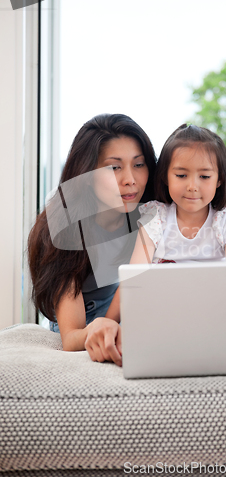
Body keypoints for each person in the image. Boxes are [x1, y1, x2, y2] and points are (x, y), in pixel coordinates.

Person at [107, 124, 226, 344]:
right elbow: (132, 278)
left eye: (204, 176)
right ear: (165, 176)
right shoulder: (156, 216)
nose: (192, 186)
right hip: (163, 313)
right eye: (181, 175)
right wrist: (108, 324)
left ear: (219, 179)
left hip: (214, 314)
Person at [28, 113, 156, 364]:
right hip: (87, 325)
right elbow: (72, 336)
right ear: (86, 175)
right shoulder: (65, 227)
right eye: (114, 167)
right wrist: (102, 327)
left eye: (139, 164)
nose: (130, 179)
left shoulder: (152, 215)